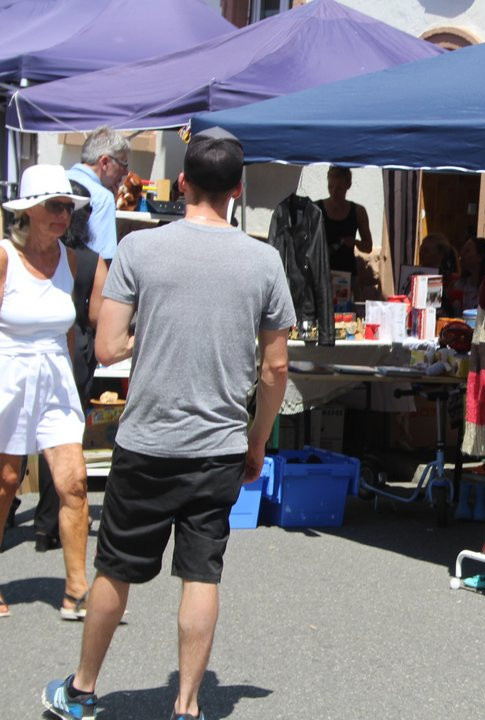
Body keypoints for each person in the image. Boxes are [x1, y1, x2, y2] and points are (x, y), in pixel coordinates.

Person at [42, 127, 295, 720]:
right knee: (202, 573)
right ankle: (186, 706)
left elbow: (105, 348)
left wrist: (149, 329)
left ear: (182, 182)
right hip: (219, 445)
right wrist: (257, 441)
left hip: (147, 440)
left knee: (116, 569)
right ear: (237, 188)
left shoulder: (139, 251)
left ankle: (82, 691)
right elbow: (276, 367)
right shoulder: (263, 261)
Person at [0, 164, 94, 620]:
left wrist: (73, 382)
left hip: (55, 377)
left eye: (68, 208)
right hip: (7, 373)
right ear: (30, 211)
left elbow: (70, 332)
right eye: (55, 206)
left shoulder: (70, 261)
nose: (63, 215)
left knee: (73, 480)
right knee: (6, 482)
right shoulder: (3, 257)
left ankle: (77, 587)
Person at [34, 179, 107, 553]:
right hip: (74, 353)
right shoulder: (91, 260)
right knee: (63, 441)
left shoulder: (36, 254)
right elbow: (97, 317)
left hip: (35, 350)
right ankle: (49, 522)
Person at [66, 126, 131, 264]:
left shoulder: (57, 180)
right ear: (105, 162)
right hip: (81, 280)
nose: (126, 172)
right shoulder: (102, 198)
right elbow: (103, 259)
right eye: (124, 164)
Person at [316, 165, 373, 298]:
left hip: (347, 276)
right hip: (321, 274)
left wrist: (353, 242)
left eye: (339, 188)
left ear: (348, 185)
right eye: (330, 187)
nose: (334, 192)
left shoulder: (358, 211)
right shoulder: (316, 209)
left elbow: (368, 247)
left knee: (348, 316)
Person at [454, 236, 485, 312]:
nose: (461, 255)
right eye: (462, 251)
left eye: (467, 251)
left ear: (480, 256)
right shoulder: (460, 285)